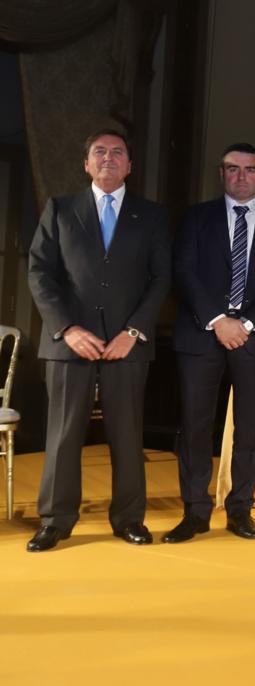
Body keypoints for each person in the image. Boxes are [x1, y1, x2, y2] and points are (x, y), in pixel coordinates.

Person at [26, 128, 171, 552]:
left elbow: (161, 278)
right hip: (69, 342)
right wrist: (68, 328)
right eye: (99, 152)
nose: (108, 157)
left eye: (118, 152)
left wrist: (134, 331)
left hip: (129, 343)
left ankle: (129, 518)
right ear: (86, 163)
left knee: (127, 435)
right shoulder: (60, 209)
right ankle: (55, 520)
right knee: (63, 433)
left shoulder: (153, 215)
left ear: (130, 165)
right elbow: (39, 273)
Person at [166, 143, 255, 543]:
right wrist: (218, 320)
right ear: (222, 173)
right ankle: (195, 511)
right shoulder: (196, 218)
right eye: (233, 169)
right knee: (195, 425)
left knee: (249, 429)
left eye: (250, 169)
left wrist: (244, 322)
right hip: (200, 335)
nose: (241, 176)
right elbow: (184, 272)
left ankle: (240, 510)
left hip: (251, 337)